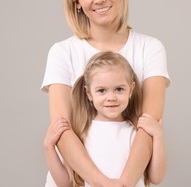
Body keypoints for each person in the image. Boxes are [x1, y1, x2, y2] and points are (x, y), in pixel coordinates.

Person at [41, 0, 170, 187]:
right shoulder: (62, 52)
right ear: (76, 2)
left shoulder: (150, 48)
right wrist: (101, 182)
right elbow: (63, 131)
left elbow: (148, 125)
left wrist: (125, 183)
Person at [43, 51, 167, 187]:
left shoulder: (137, 133)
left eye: (119, 89)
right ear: (88, 93)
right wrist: (49, 147)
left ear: (131, 90)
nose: (111, 97)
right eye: (102, 90)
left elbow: (156, 177)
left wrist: (158, 137)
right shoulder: (81, 134)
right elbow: (65, 182)